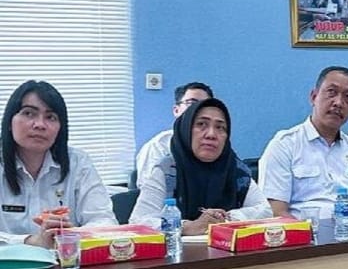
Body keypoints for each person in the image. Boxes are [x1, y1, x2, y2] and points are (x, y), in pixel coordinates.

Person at [0, 80, 116, 247]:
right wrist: (31, 241)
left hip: (65, 260)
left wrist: (69, 235)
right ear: (10, 122)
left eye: (51, 117)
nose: (40, 125)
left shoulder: (78, 162)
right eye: (29, 113)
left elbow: (104, 221)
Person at [129, 98, 270, 235]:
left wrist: (225, 218)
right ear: (186, 130)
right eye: (201, 124)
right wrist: (186, 226)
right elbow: (139, 222)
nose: (211, 134)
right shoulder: (168, 170)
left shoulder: (236, 169)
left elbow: (265, 211)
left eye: (220, 127)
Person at [259, 66, 348, 219]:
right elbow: (275, 213)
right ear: (314, 97)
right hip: (305, 232)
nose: (338, 103)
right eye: (331, 92)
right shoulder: (285, 145)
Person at [135, 82, 213, 189]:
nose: (198, 109)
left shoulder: (215, 142)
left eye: (205, 105)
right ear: (176, 110)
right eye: (191, 103)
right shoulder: (158, 146)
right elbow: (149, 190)